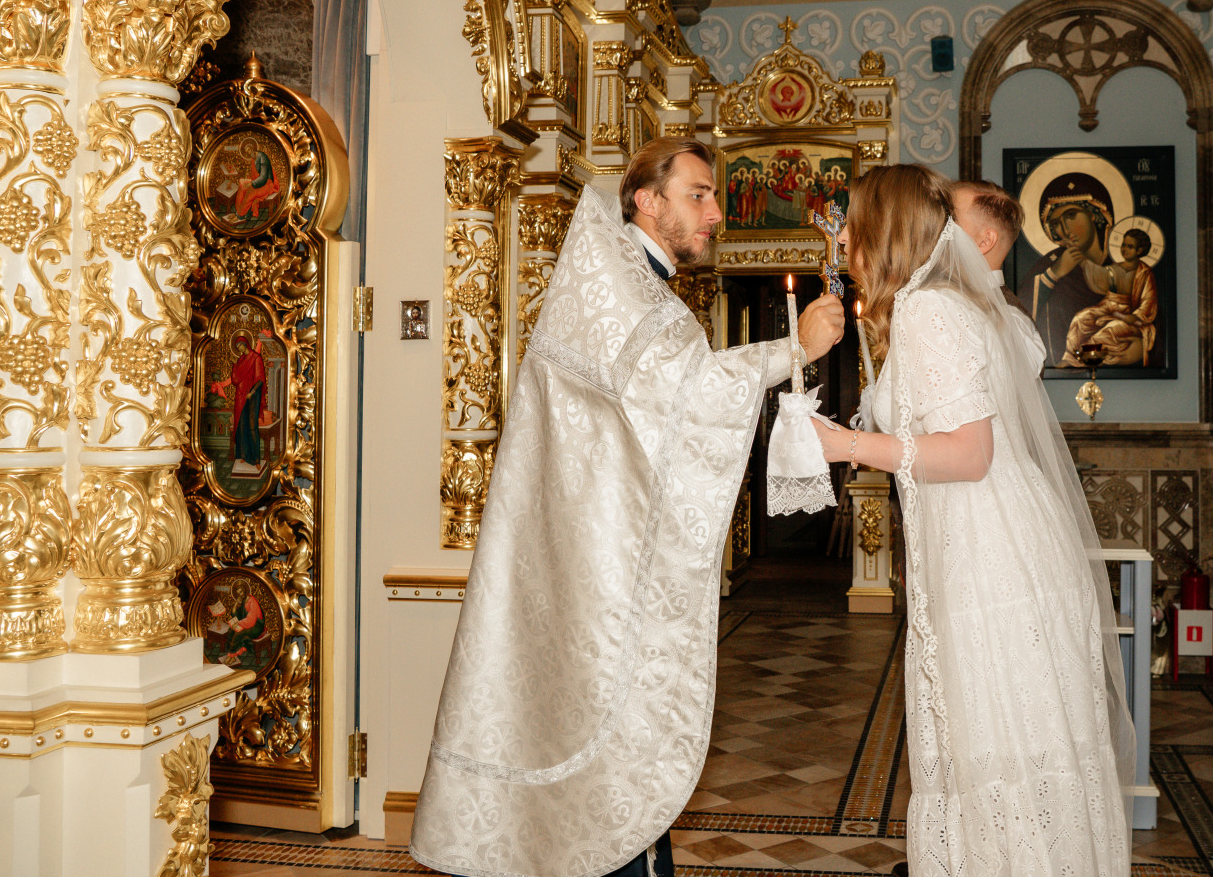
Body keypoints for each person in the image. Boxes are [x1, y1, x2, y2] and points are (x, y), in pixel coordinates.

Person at [411, 138, 845, 877]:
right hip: (593, 564)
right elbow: (688, 395)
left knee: (603, 738)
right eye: (699, 195)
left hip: (597, 551)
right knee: (601, 732)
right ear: (647, 200)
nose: (714, 214)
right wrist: (791, 349)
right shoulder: (619, 284)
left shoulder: (632, 281)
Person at [814, 165, 1133, 876]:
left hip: (988, 553)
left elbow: (967, 453)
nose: (840, 236)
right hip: (995, 539)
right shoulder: (961, 307)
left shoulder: (932, 310)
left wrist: (844, 445)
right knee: (1011, 741)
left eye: (851, 222)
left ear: (884, 230)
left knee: (993, 737)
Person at [1020, 174, 1114, 366]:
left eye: (1071, 216)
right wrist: (1054, 274)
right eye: (1055, 224)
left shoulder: (1123, 262)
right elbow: (1020, 315)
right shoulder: (1049, 265)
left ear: (1094, 214)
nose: (1064, 229)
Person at [950, 179, 1045, 368]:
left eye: (951, 220)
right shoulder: (947, 297)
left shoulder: (1010, 322)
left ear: (985, 241)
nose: (936, 228)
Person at [1062, 225, 1158, 367]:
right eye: (1123, 245)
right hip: (1107, 307)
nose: (1124, 249)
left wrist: (1133, 316)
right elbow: (1098, 275)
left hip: (1130, 317)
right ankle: (1069, 358)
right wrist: (1082, 260)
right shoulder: (1115, 268)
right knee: (1080, 319)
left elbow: (1148, 301)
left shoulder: (1145, 273)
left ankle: (1081, 360)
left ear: (1140, 250)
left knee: (1109, 330)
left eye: (1130, 246)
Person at [211, 330, 270, 476]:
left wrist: (252, 392)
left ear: (245, 344)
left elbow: (260, 378)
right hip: (240, 397)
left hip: (252, 397)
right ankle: (243, 455)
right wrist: (234, 365)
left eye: (240, 346)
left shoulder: (256, 358)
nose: (239, 350)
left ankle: (256, 459)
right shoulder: (240, 361)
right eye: (237, 348)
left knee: (251, 426)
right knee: (241, 426)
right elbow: (236, 379)